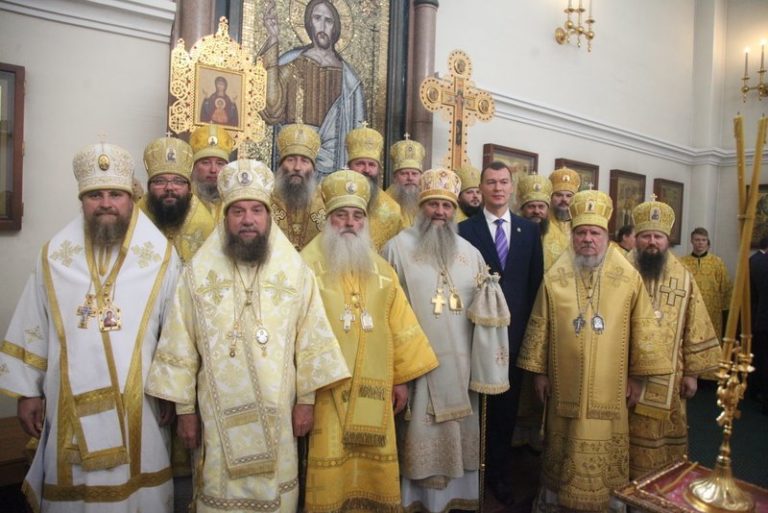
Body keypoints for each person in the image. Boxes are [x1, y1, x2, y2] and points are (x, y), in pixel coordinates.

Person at [145, 159, 350, 513]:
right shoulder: (198, 273)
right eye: (238, 211)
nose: (248, 219)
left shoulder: (295, 271)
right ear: (225, 218)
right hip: (216, 417)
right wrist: (185, 411)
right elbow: (180, 344)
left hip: (278, 414)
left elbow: (311, 341)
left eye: (256, 210)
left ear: (269, 217)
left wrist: (306, 401)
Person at [0, 142, 181, 512]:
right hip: (67, 401)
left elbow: (175, 331)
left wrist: (170, 390)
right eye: (95, 195)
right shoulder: (55, 256)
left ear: (132, 198)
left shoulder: (160, 256)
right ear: (82, 200)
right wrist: (28, 393)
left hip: (141, 406)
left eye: (116, 194)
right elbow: (33, 324)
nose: (106, 204)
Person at [517, 189, 672, 513]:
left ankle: (607, 504)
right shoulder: (555, 276)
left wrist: (638, 378)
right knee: (561, 447)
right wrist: (540, 373)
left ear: (606, 237)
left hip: (611, 388)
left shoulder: (627, 277)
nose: (588, 239)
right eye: (581, 232)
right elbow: (541, 324)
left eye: (595, 233)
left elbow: (643, 327)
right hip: (563, 385)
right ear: (573, 236)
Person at [301, 169, 438, 513]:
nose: (350, 223)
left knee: (372, 473)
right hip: (325, 393)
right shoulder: (305, 267)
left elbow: (400, 325)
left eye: (357, 216)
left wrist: (401, 379)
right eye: (341, 215)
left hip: (376, 391)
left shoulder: (382, 270)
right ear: (328, 219)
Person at [383, 167, 510, 513]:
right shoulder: (395, 249)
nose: (440, 212)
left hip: (462, 372)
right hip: (418, 372)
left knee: (459, 441)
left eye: (447, 206)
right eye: (433, 204)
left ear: (454, 211)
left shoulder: (471, 253)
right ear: (420, 207)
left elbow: (486, 315)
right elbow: (386, 315)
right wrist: (397, 373)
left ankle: (457, 501)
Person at [458, 160, 543, 505]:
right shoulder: (465, 230)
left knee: (506, 411)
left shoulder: (529, 231)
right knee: (477, 409)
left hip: (515, 336)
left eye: (503, 182)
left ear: (512, 187)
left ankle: (499, 474)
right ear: (481, 188)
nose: (497, 188)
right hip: (477, 335)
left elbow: (535, 285)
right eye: (491, 182)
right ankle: (471, 474)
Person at [627, 199, 720, 478]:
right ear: (636, 238)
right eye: (646, 236)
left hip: (671, 374)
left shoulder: (683, 276)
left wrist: (692, 374)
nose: (652, 242)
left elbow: (696, 325)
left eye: (658, 236)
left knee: (664, 441)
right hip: (624, 372)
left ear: (667, 240)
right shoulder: (620, 270)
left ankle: (661, 484)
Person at [259, 0, 366, 176]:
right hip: (294, 161)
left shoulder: (350, 81)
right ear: (309, 23)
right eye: (317, 18)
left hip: (333, 167)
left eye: (328, 20)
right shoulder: (291, 62)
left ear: (336, 27)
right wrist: (273, 39)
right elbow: (271, 108)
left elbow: (357, 134)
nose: (322, 26)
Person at [139, 135, 215, 262]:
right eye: (160, 181)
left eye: (178, 181)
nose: (169, 187)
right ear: (149, 187)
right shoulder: (136, 220)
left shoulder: (206, 225)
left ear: (189, 188)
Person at [345, 123, 403, 250]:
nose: (366, 170)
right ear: (349, 166)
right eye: (360, 163)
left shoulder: (393, 210)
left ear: (379, 169)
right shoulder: (329, 199)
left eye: (372, 165)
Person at [270, 122, 326, 250]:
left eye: (305, 161)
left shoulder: (326, 200)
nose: (297, 167)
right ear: (280, 166)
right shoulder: (266, 198)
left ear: (313, 169)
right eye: (290, 160)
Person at [680, 227, 733, 337]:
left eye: (703, 240)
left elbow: (725, 286)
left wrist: (726, 310)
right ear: (691, 241)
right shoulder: (683, 262)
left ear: (707, 241)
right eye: (697, 240)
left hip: (712, 309)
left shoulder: (717, 262)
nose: (700, 243)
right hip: (691, 308)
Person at [518, 172, 568, 271]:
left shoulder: (560, 239)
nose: (536, 211)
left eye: (541, 207)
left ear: (547, 209)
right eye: (531, 206)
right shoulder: (511, 232)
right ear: (523, 209)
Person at [189, 124, 235, 222]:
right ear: (194, 167)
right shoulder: (184, 201)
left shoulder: (235, 202)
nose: (213, 170)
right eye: (206, 162)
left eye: (220, 163)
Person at [386, 134, 425, 227]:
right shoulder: (384, 202)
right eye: (404, 173)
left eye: (414, 174)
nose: (410, 178)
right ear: (395, 177)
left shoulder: (426, 202)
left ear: (421, 177)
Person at [750, 235, 768, 414]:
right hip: (762, 316)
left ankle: (757, 392)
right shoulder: (761, 262)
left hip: (758, 317)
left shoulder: (755, 261)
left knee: (761, 358)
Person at [547, 166, 581, 238]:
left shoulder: (580, 225)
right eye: (559, 195)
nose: (564, 199)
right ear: (551, 197)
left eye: (569, 196)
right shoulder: (543, 223)